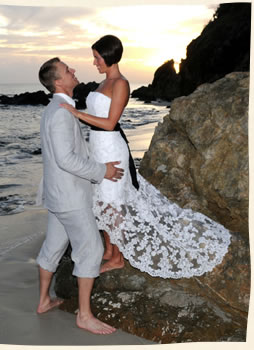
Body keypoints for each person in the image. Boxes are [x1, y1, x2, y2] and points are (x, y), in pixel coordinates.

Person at [61, 35, 231, 279]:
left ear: (108, 57)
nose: (94, 62)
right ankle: (110, 249)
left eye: (97, 57)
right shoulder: (102, 84)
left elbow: (110, 123)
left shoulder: (121, 83)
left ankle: (118, 258)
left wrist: (75, 113)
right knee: (104, 201)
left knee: (114, 203)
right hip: (97, 148)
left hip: (110, 147)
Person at [36, 57, 124, 335]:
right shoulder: (61, 112)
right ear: (58, 81)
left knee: (54, 246)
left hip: (56, 194)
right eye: (67, 70)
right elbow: (66, 159)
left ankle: (43, 301)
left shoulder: (53, 109)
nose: (73, 70)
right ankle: (84, 316)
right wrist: (103, 171)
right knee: (91, 250)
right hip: (70, 197)